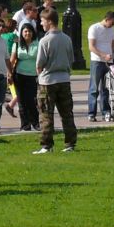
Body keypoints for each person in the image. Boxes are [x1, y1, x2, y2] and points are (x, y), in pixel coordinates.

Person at [33, 11, 78, 154]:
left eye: (42, 21)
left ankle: (47, 145)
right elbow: (71, 59)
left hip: (48, 81)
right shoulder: (67, 39)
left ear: (49, 21)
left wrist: (40, 74)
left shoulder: (45, 41)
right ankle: (70, 143)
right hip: (64, 79)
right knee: (67, 113)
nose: (41, 23)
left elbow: (39, 64)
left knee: (46, 114)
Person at [7, 21, 39, 132]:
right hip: (19, 75)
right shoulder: (17, 44)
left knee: (31, 100)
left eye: (29, 31)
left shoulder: (37, 43)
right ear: (21, 33)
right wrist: (9, 74)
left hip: (33, 76)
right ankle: (25, 125)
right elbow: (12, 60)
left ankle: (35, 123)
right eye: (25, 31)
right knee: (21, 101)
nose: (27, 33)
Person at [86, 12, 114, 120]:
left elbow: (113, 45)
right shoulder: (94, 28)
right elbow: (91, 46)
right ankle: (91, 113)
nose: (112, 25)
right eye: (112, 22)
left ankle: (105, 112)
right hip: (97, 61)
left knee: (106, 88)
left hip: (108, 62)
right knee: (94, 88)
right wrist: (103, 55)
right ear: (107, 19)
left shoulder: (111, 30)